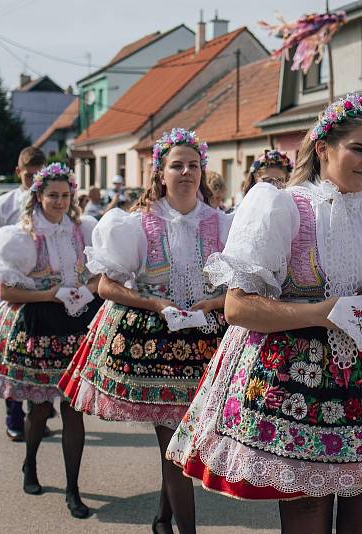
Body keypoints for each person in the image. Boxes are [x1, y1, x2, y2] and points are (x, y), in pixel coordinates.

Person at [166, 91, 362, 534]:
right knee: (305, 514)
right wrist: (322, 312)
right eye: (358, 149)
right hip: (296, 385)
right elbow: (238, 308)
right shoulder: (282, 207)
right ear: (322, 148)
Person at [59, 128, 231, 534]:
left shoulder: (223, 224)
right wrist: (157, 304)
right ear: (160, 173)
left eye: (193, 165)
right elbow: (105, 285)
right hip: (156, 344)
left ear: (202, 172)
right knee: (173, 439)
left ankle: (162, 519)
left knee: (178, 441)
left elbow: (243, 285)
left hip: (210, 341)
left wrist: (213, 303)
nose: (186, 172)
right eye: (177, 165)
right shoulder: (137, 223)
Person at [0, 163, 101, 518]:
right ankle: (30, 464)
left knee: (73, 409)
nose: (60, 202)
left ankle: (72, 489)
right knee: (39, 408)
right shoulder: (23, 235)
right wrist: (52, 294)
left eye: (65, 195)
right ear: (38, 196)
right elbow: (8, 290)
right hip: (40, 324)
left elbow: (98, 278)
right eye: (53, 195)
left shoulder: (84, 230)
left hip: (78, 323)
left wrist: (81, 290)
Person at [0, 146, 47, 442]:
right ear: (19, 172)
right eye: (28, 174)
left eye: (38, 174)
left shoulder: (49, 202)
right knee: (9, 350)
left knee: (36, 350)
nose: (33, 179)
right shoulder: (3, 205)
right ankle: (13, 412)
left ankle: (38, 412)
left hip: (40, 288)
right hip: (8, 287)